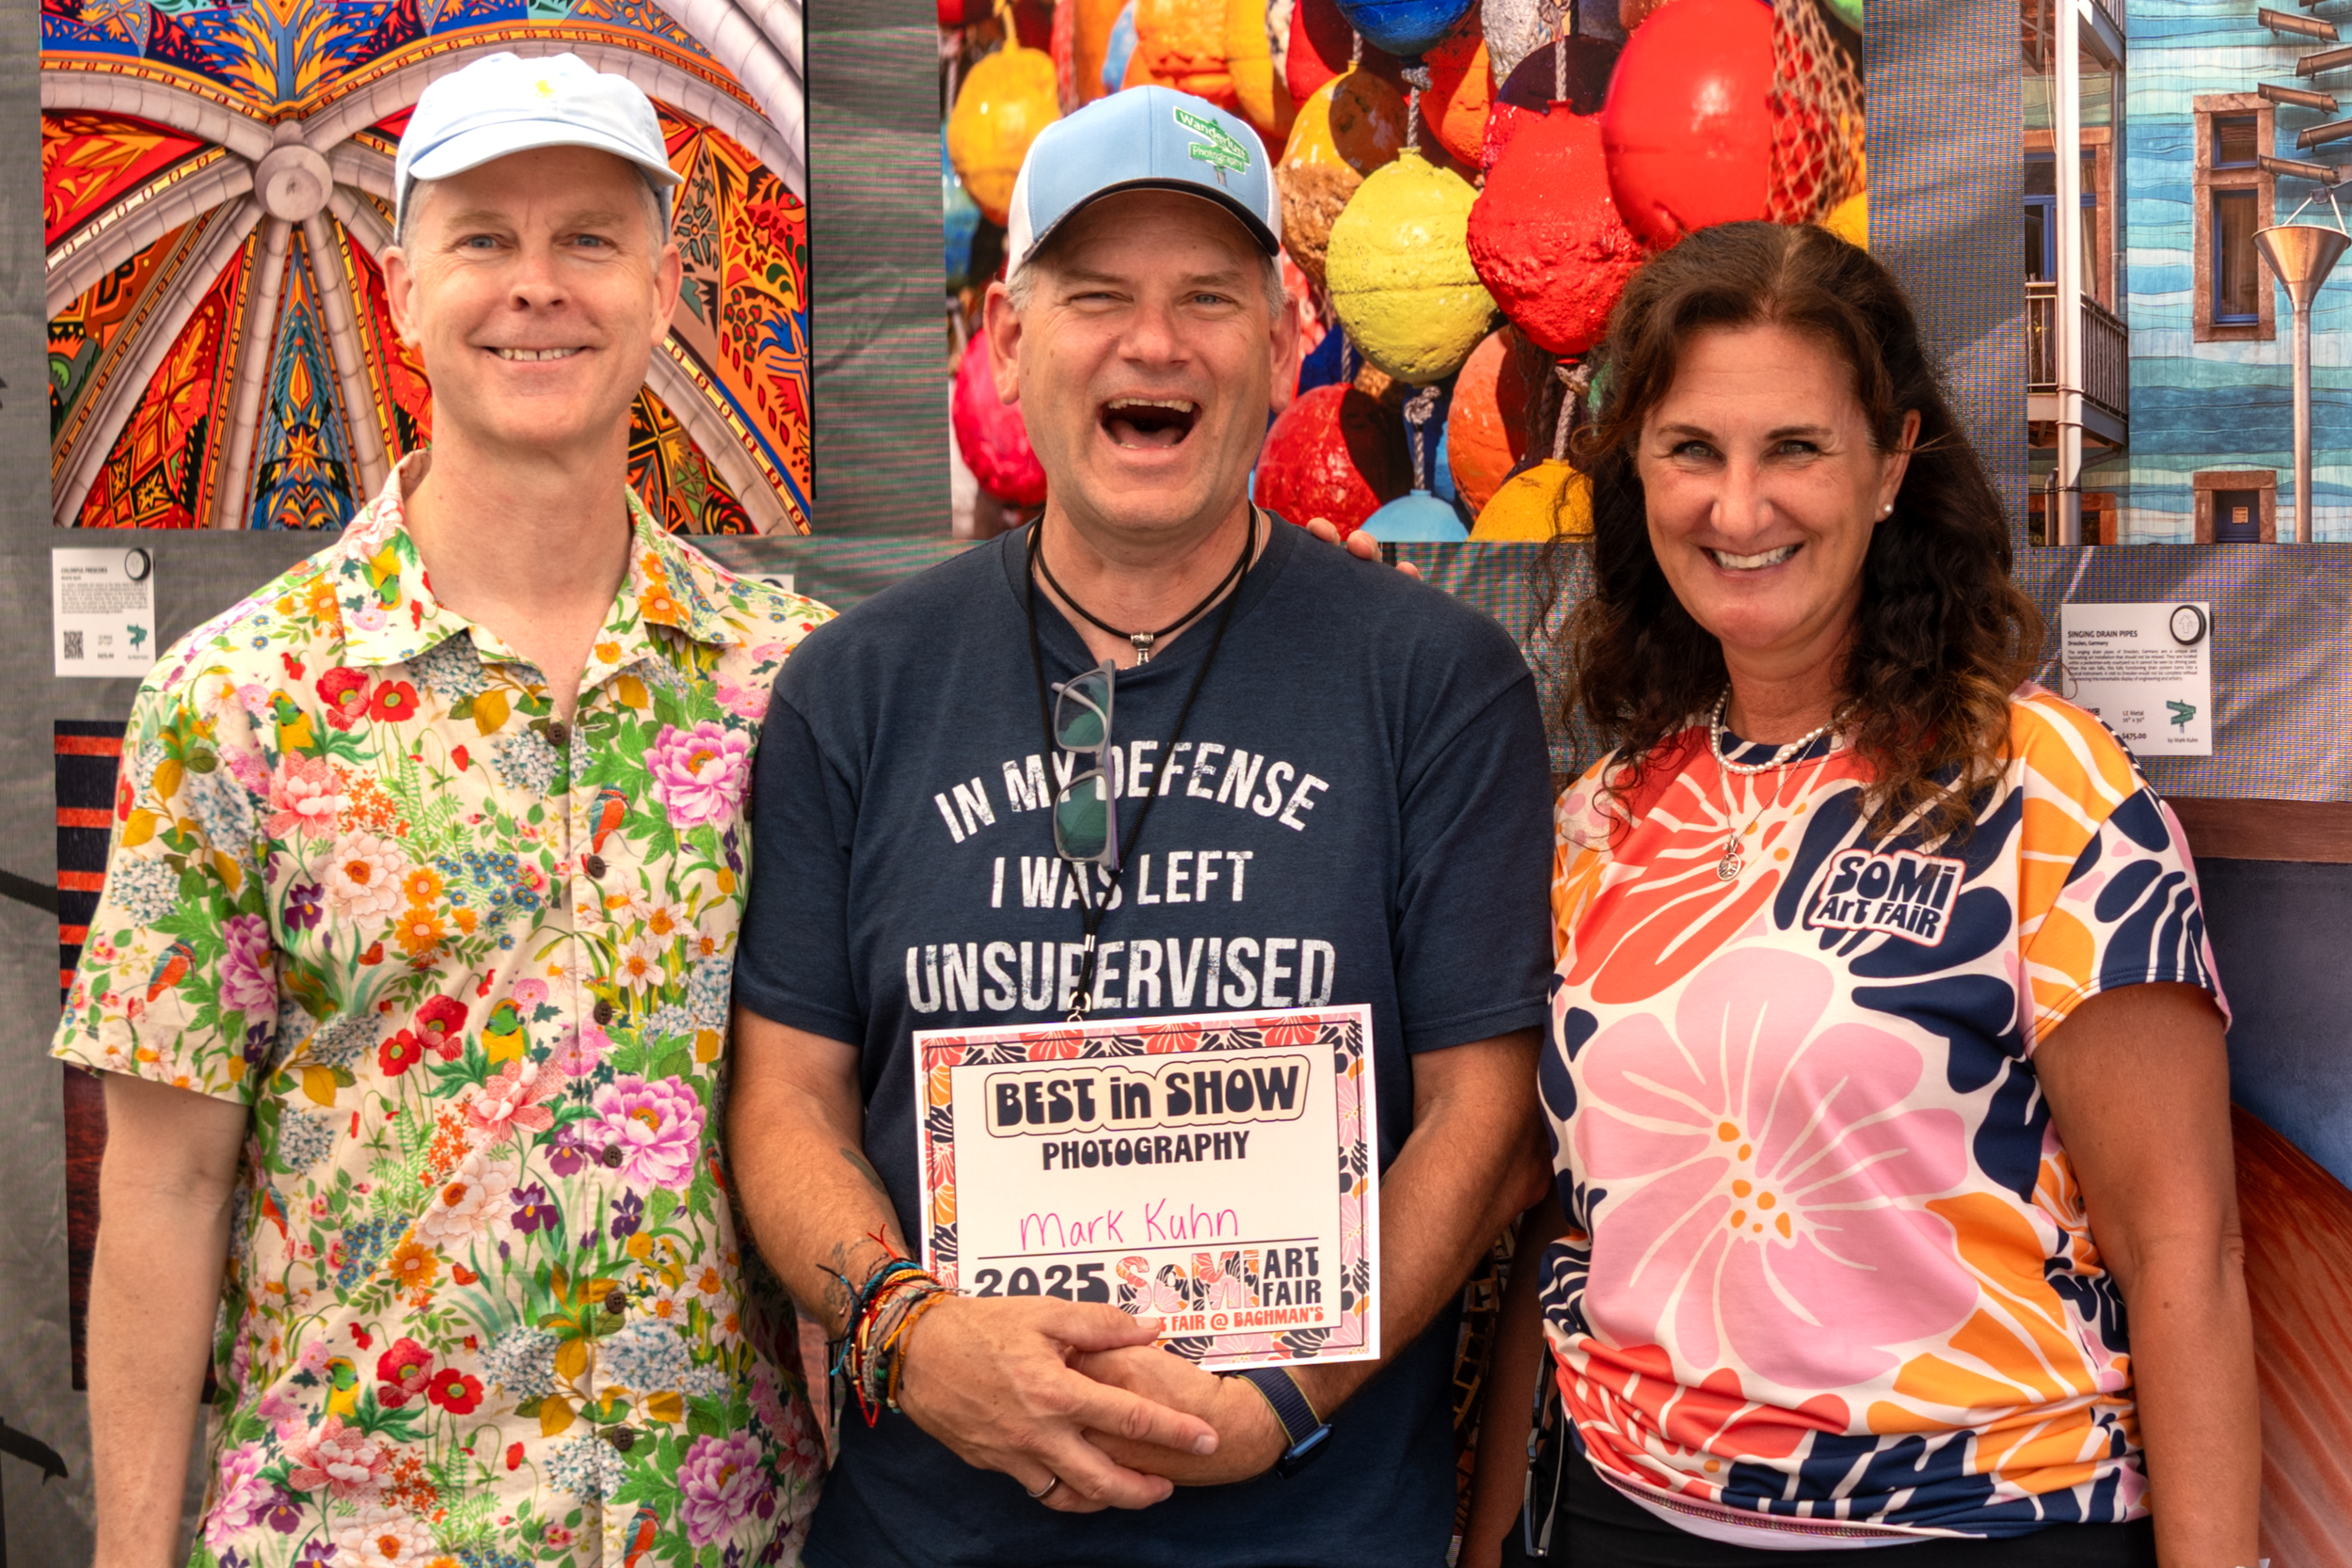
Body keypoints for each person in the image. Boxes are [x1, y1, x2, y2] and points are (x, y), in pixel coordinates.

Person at [725, 84, 1556, 1567]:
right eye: (1097, 293)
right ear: (1009, 336)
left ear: (1293, 332)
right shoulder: (852, 686)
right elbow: (784, 1099)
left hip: (1313, 1531)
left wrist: (1280, 1401)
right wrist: (911, 1339)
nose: (1154, 342)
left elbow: (1486, 1122)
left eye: (1207, 298)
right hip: (931, 1533)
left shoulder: (1438, 682)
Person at [57, 53, 831, 1568]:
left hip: (721, 1537)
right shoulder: (238, 696)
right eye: (483, 237)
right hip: (350, 1534)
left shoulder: (789, 684)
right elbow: (163, 1178)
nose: (535, 286)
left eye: (588, 239)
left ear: (666, 288)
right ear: (403, 284)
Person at [1460, 221, 2256, 1567]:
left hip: (1979, 1523)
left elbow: (2187, 1253)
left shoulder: (2043, 792)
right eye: (1692, 449)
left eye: (1796, 448)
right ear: (1635, 473)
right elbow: (1572, 1230)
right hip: (1616, 1514)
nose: (1739, 507)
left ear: (1891, 463)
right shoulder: (1600, 816)